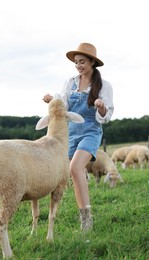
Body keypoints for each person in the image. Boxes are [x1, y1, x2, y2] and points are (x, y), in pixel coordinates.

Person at [43, 42, 114, 231]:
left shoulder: (104, 86)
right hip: (70, 133)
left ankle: (86, 219)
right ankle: (55, 214)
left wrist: (101, 107)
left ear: (92, 62)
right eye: (76, 63)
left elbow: (106, 117)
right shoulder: (70, 82)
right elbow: (63, 105)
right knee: (70, 173)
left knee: (75, 168)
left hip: (91, 131)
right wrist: (53, 100)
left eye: (82, 62)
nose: (79, 66)